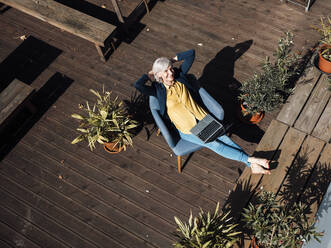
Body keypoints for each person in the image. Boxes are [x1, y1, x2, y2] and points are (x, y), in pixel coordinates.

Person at [134, 49, 270, 174]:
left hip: (202, 118)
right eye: (166, 71)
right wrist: (149, 73)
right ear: (159, 75)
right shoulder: (158, 90)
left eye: (170, 69)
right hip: (187, 128)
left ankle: (251, 164)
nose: (171, 72)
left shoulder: (180, 77)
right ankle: (252, 160)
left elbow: (190, 54)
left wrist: (171, 61)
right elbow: (138, 85)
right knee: (215, 145)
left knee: (224, 138)